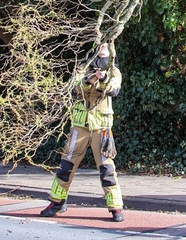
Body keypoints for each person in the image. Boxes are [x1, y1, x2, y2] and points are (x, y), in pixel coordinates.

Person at [40, 43, 125, 222]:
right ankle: (56, 202)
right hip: (80, 126)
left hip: (102, 127)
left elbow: (114, 89)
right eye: (100, 43)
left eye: (106, 44)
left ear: (111, 49)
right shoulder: (81, 68)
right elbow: (75, 88)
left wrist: (102, 79)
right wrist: (90, 79)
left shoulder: (114, 70)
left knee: (106, 168)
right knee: (66, 165)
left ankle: (116, 207)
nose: (103, 47)